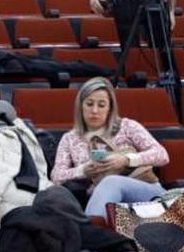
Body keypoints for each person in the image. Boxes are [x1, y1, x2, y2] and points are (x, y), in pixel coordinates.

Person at [50, 77, 168, 217]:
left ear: (110, 108)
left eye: (101, 105)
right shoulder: (70, 138)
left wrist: (126, 160)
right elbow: (56, 176)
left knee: (111, 182)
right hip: (103, 199)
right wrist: (83, 171)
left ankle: (92, 230)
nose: (94, 110)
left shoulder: (127, 126)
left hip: (145, 190)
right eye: (89, 104)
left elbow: (162, 155)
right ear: (80, 106)